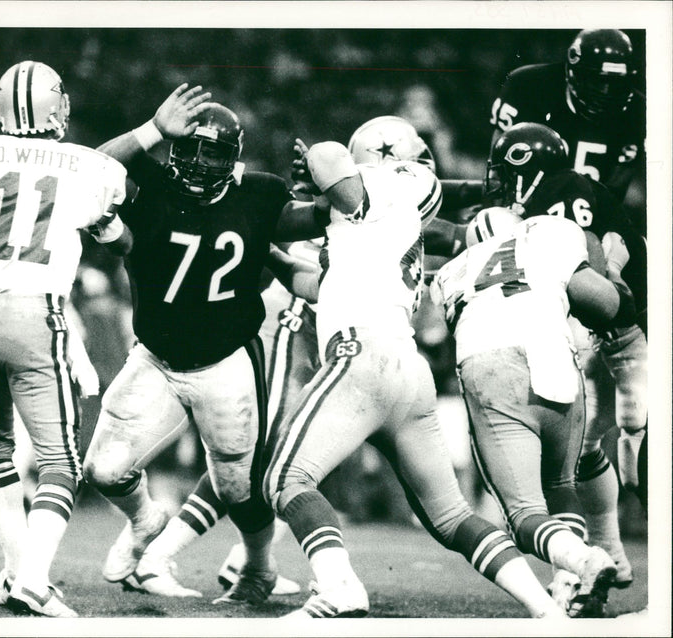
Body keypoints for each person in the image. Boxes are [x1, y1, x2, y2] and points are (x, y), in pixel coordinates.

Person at [118, 114, 447, 599]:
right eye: (410, 157)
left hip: (317, 331)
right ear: (383, 157)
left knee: (271, 459)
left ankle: (247, 562)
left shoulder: (360, 197)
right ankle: (163, 557)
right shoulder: (352, 198)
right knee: (262, 455)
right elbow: (283, 262)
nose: (419, 167)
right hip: (290, 325)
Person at [263, 138, 569, 620]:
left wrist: (317, 167)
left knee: (285, 478)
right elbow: (315, 284)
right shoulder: (389, 230)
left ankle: (340, 587)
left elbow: (326, 158)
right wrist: (271, 253)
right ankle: (545, 608)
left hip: (362, 356)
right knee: (450, 518)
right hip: (407, 373)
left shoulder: (381, 187)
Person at [81, 84, 325, 606]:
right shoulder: (150, 183)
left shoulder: (258, 194)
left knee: (240, 489)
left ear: (232, 157)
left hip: (224, 366)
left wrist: (328, 187)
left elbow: (312, 220)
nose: (197, 161)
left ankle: (258, 566)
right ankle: (147, 518)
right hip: (154, 359)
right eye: (187, 147)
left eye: (212, 151)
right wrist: (151, 129)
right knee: (102, 469)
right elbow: (94, 168)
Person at [0, 60, 133, 618]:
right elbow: (120, 241)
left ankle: (16, 572)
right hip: (35, 313)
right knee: (62, 459)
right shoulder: (88, 166)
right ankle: (34, 580)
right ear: (51, 105)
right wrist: (113, 226)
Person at [431, 207, 637, 617]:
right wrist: (612, 265)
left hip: (491, 363)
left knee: (525, 517)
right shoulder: (551, 234)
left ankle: (582, 561)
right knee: (562, 485)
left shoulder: (449, 272)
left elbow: (445, 325)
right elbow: (612, 306)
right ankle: (569, 588)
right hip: (555, 354)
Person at [485, 122, 647, 590]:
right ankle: (609, 551)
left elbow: (598, 270)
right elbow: (622, 249)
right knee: (586, 449)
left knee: (565, 461)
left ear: (525, 168)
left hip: (582, 326)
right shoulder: (589, 190)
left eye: (503, 169)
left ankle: (578, 573)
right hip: (613, 326)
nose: (495, 180)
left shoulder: (541, 211)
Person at [489, 29, 645, 227]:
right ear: (573, 71)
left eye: (616, 84)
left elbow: (614, 193)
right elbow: (497, 167)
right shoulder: (528, 85)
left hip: (585, 219)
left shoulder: (637, 110)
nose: (606, 92)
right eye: (598, 80)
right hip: (516, 209)